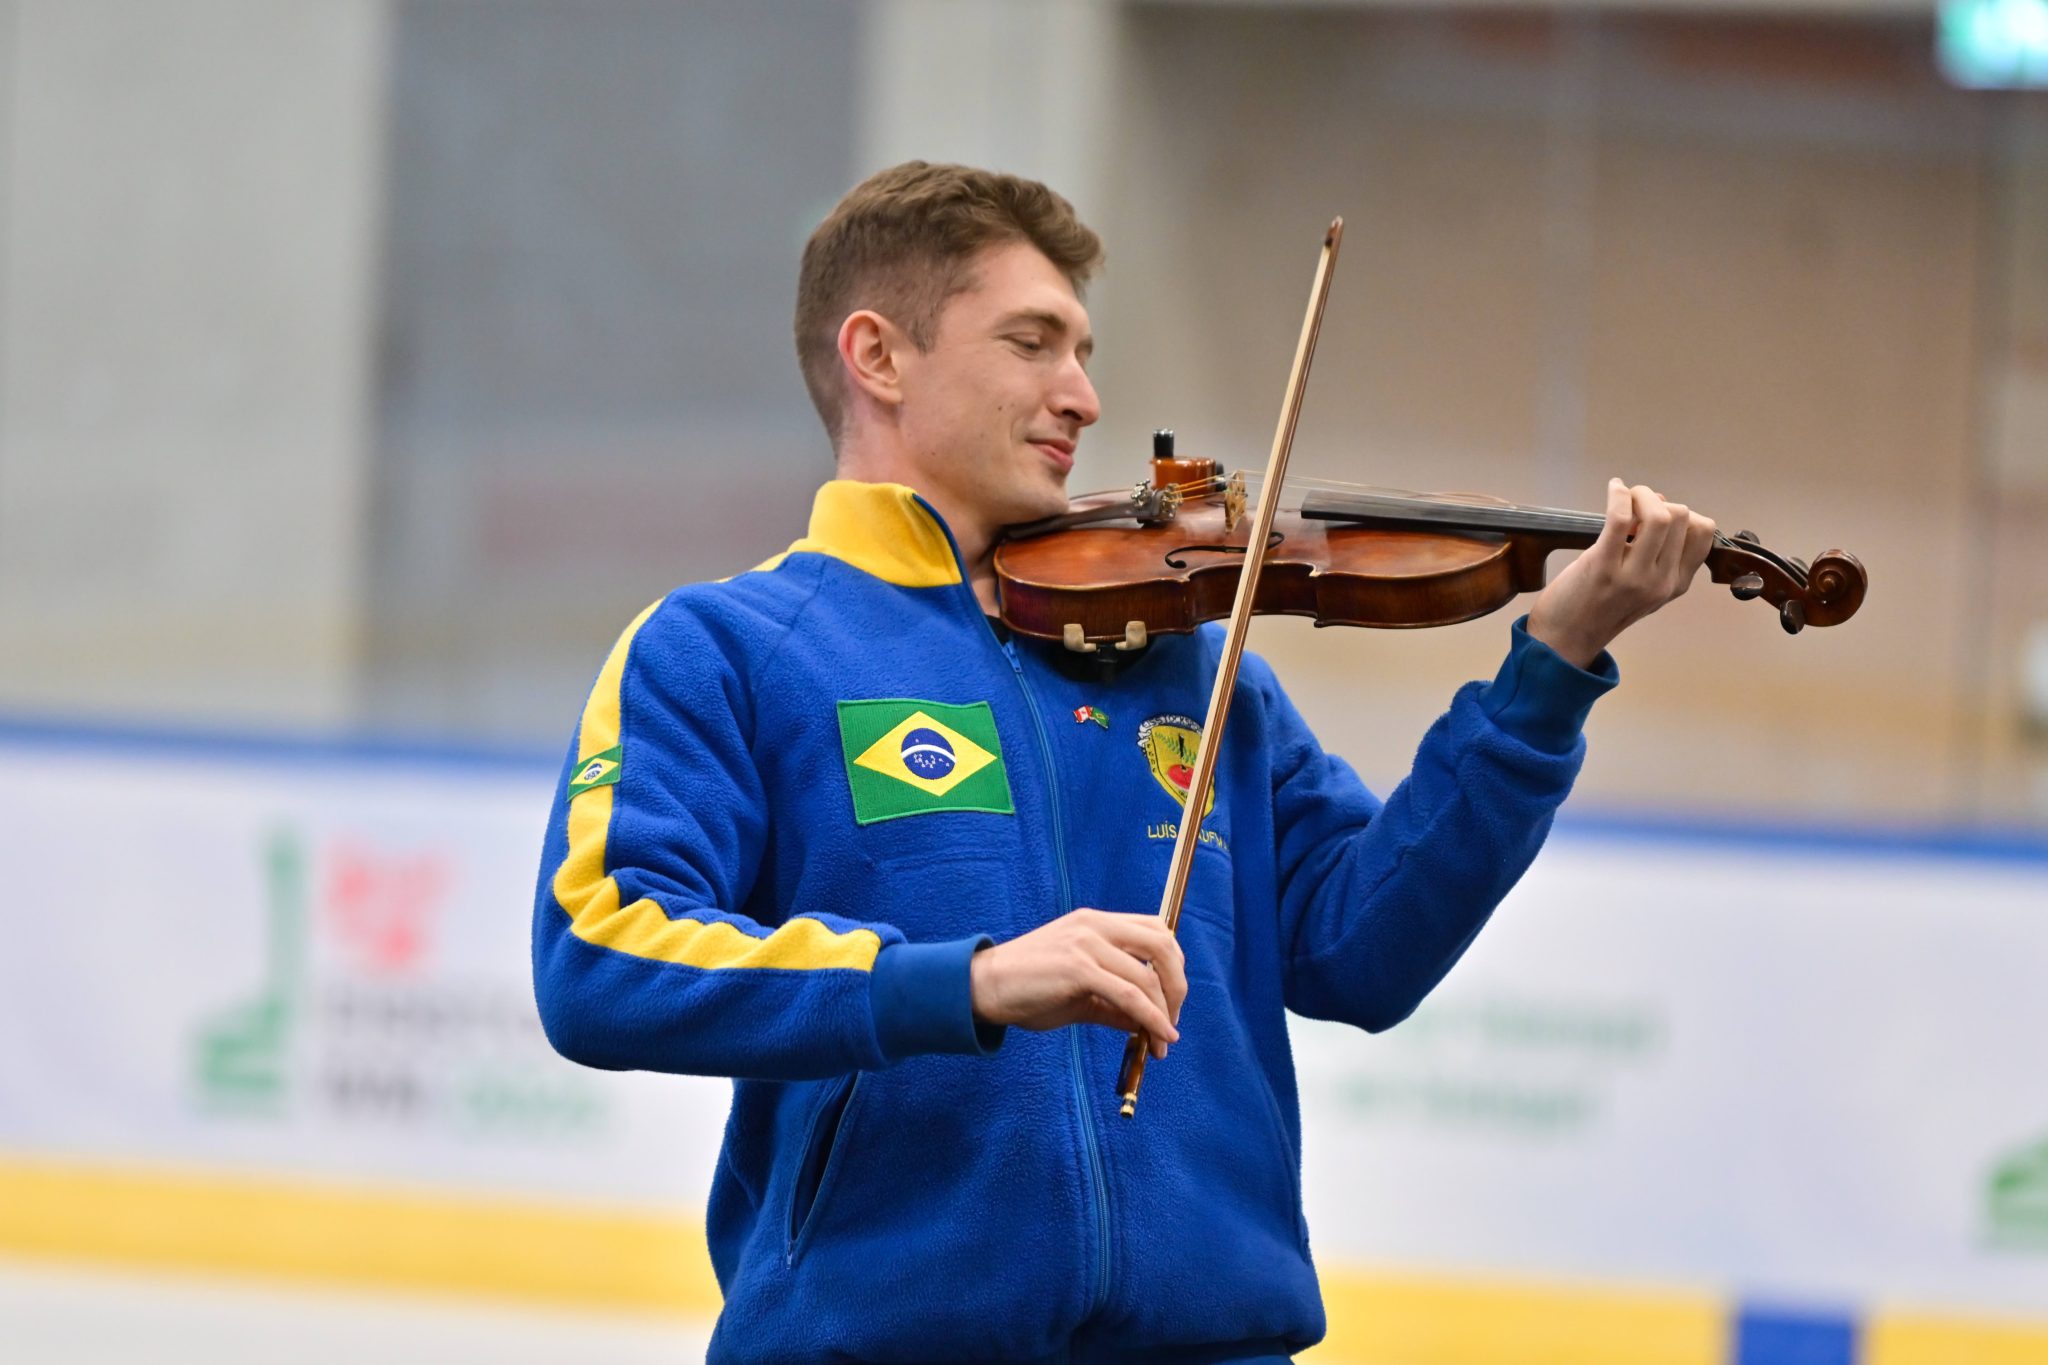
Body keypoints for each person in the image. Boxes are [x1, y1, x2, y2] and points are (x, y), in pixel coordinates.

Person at [531, 161, 1714, 1364]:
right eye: (1032, 344)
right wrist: (968, 981)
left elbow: (1363, 952)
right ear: (877, 356)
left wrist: (1552, 668)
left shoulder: (1190, 659)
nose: (1083, 396)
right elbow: (598, 956)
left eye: (1084, 351)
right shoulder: (727, 650)